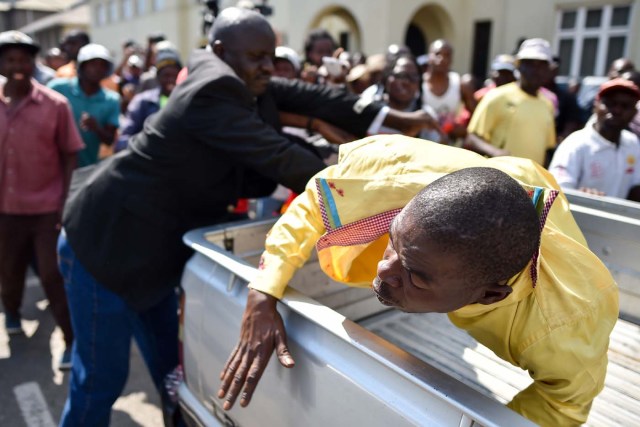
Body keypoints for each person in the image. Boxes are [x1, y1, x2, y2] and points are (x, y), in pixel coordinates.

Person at [56, 8, 436, 426]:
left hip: (152, 252)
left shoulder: (236, 75)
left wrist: (391, 119)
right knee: (100, 382)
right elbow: (281, 158)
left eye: (271, 56)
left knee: (173, 369)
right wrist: (383, 184)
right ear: (221, 50)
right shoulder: (212, 91)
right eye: (258, 58)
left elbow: (313, 98)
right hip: (105, 245)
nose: (268, 68)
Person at [219, 134, 618, 427]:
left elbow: (562, 404)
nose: (383, 269)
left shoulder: (565, 324)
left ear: (490, 295)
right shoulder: (406, 177)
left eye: (416, 276)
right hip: (502, 178)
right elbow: (312, 204)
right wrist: (262, 291)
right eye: (391, 242)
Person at [0, 31, 84, 368]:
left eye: (24, 59)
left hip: (47, 208)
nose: (18, 66)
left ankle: (71, 340)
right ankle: (12, 313)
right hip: (5, 210)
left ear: (33, 62)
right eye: (10, 59)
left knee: (52, 275)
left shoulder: (55, 105)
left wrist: (66, 202)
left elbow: (70, 156)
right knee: (8, 270)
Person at [466, 38, 556, 166]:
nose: (535, 70)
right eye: (530, 64)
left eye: (541, 65)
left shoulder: (548, 104)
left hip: (531, 183)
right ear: (519, 66)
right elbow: (471, 138)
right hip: (499, 178)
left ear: (548, 70)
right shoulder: (497, 96)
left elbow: (546, 148)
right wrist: (495, 152)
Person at [548, 78, 640, 201]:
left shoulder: (632, 143)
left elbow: (635, 187)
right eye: (610, 103)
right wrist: (582, 197)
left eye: (625, 106)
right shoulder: (575, 144)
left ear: (634, 112)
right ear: (595, 106)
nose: (617, 110)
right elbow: (556, 194)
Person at [48, 44, 120, 167]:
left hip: (87, 169)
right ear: (81, 66)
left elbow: (109, 140)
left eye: (102, 65)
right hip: (54, 166)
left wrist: (96, 128)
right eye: (93, 64)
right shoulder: (57, 88)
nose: (98, 69)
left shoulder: (111, 99)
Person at [115, 49, 182, 152]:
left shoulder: (187, 101)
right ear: (158, 77)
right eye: (166, 75)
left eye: (175, 75)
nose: (171, 80)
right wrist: (147, 143)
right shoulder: (142, 102)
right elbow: (123, 141)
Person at [421, 39, 477, 142]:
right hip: (420, 145)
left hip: (450, 147)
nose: (442, 58)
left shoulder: (460, 84)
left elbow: (477, 117)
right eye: (437, 54)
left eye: (447, 55)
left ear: (451, 59)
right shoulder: (418, 83)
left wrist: (462, 130)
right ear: (429, 56)